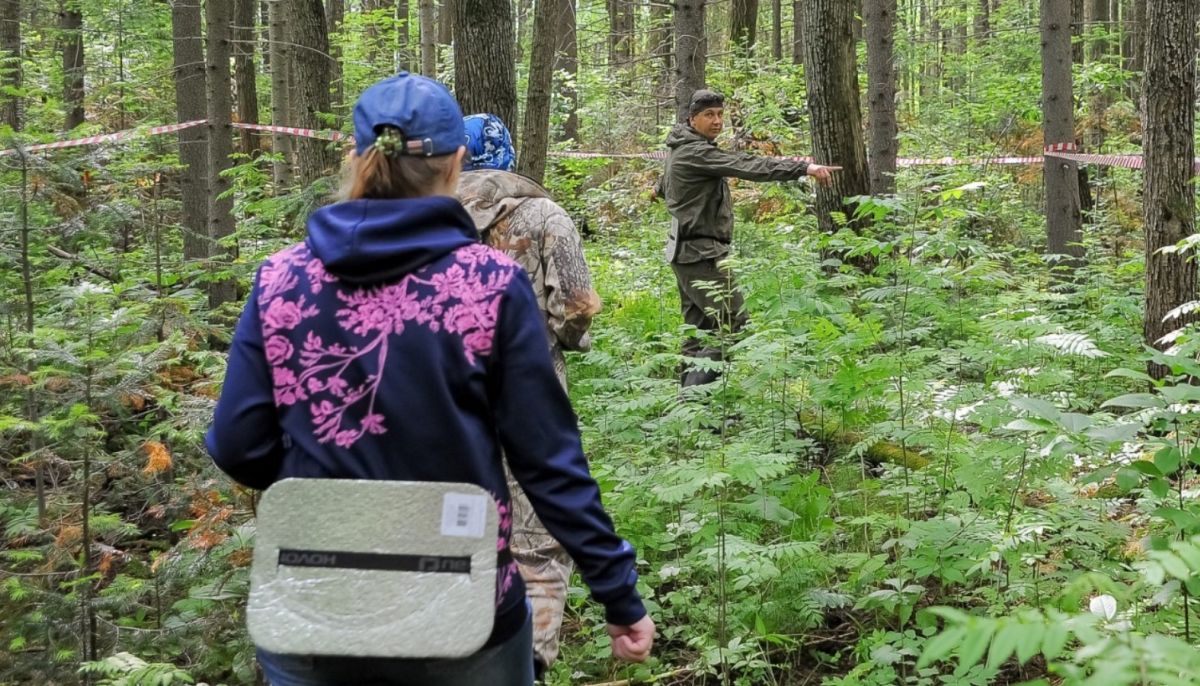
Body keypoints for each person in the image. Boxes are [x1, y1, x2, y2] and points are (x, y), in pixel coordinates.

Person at [205, 72, 654, 686]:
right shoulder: (491, 286)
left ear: (357, 158)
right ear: (456, 163)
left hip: (315, 595)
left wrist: (323, 469)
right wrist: (618, 594)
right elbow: (547, 462)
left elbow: (236, 445)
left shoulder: (282, 280)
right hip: (458, 605)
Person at [458, 113, 601, 679]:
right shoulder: (543, 214)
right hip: (531, 394)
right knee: (537, 537)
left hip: (445, 400)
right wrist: (567, 339)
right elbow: (577, 304)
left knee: (456, 527)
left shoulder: (423, 219)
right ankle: (531, 663)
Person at [654, 89, 839, 386]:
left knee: (699, 331)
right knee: (733, 326)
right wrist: (804, 167)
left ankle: (692, 416)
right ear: (693, 119)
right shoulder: (696, 151)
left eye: (719, 114)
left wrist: (657, 190)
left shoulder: (681, 147)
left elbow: (664, 183)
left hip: (685, 253)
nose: (716, 121)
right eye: (708, 115)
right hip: (701, 255)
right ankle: (693, 399)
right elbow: (749, 165)